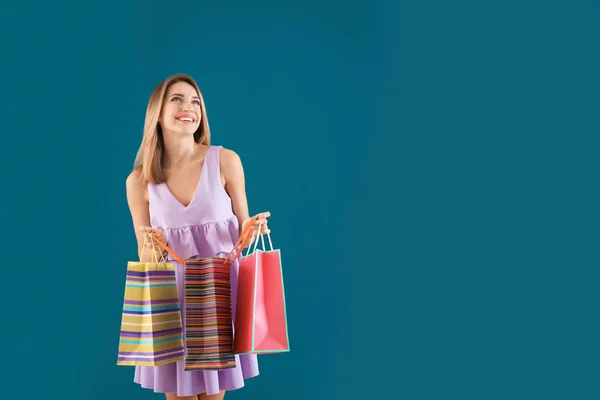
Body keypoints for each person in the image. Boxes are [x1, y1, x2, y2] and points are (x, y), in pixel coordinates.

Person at [125, 73, 270, 400]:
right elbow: (146, 259)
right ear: (157, 113)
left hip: (218, 296)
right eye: (176, 99)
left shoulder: (226, 160)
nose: (187, 107)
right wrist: (150, 243)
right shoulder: (139, 182)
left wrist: (253, 228)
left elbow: (242, 232)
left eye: (195, 101)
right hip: (171, 303)